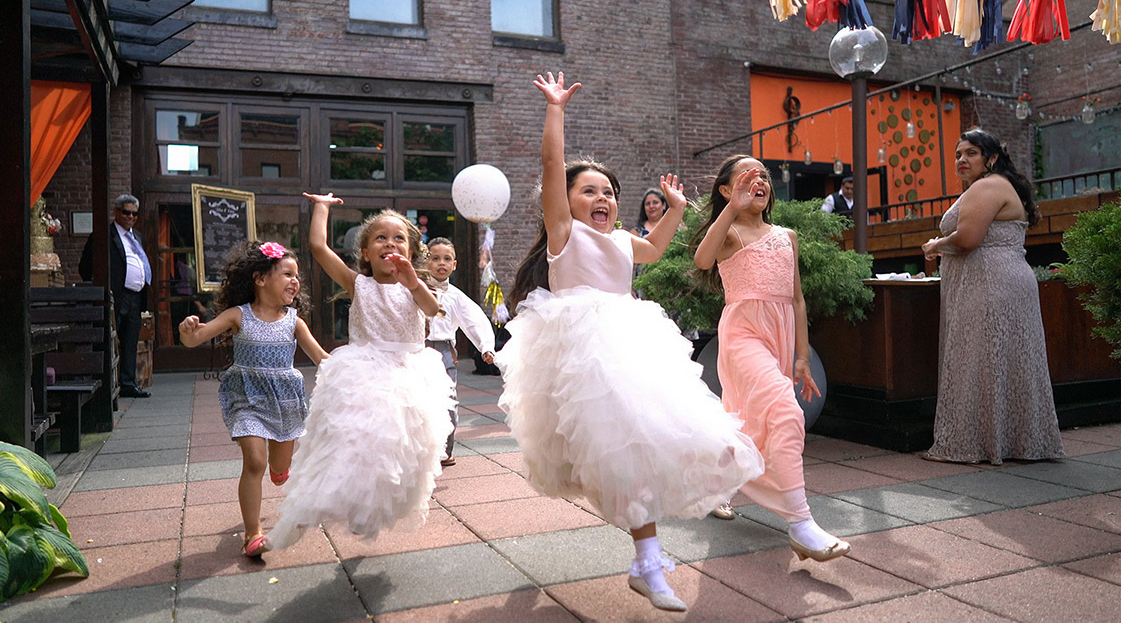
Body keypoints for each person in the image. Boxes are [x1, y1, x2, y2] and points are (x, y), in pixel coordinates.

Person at [496, 73, 763, 612]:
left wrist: (679, 209)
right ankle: (647, 558)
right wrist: (555, 112)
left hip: (630, 340)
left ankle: (647, 556)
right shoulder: (564, 235)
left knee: (655, 436)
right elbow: (552, 169)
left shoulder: (620, 240)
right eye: (588, 190)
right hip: (583, 349)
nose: (603, 198)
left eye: (609, 192)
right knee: (621, 447)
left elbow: (656, 250)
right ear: (566, 202)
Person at [267, 196, 455, 548]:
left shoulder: (415, 287)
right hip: (366, 371)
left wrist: (413, 281)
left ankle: (387, 502)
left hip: (409, 373)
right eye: (380, 238)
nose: (390, 243)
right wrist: (322, 206)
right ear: (366, 253)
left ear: (412, 251)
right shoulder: (359, 284)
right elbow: (318, 247)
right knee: (360, 440)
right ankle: (352, 502)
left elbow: (433, 311)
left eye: (399, 238)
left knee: (403, 447)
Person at [692, 154, 851, 563]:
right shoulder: (728, 233)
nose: (757, 181)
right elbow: (702, 260)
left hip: (780, 336)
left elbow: (797, 299)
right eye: (745, 178)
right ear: (727, 190)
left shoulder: (787, 235)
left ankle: (718, 486)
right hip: (743, 332)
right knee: (785, 412)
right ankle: (801, 523)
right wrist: (731, 210)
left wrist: (801, 357)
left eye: (762, 176)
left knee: (746, 419)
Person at [921, 129, 1064, 464]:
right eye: (958, 154)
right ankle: (1013, 442)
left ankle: (975, 444)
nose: (961, 160)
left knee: (980, 362)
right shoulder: (997, 186)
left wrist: (934, 245)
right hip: (1003, 281)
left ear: (992, 158)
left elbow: (968, 239)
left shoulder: (988, 186)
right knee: (1003, 362)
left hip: (990, 284)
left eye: (971, 153)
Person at [178, 241, 326, 558]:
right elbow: (196, 339)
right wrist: (187, 331)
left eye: (297, 276)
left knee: (278, 468)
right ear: (260, 279)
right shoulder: (238, 315)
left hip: (284, 402)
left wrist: (352, 367)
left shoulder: (294, 322)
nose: (295, 281)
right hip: (247, 397)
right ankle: (253, 534)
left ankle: (279, 469)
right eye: (287, 274)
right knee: (255, 461)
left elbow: (320, 358)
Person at [425, 236, 496, 467]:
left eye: (447, 259)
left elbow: (474, 321)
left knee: (448, 400)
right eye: (435, 258)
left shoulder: (455, 296)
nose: (441, 263)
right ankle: (421, 451)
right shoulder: (416, 289)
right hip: (419, 349)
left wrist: (485, 347)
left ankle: (445, 450)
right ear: (426, 261)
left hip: (445, 351)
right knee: (418, 401)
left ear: (454, 265)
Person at [78, 194, 152, 398]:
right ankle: (105, 385)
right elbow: (85, 266)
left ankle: (128, 383)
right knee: (109, 340)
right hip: (115, 296)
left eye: (134, 214)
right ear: (116, 212)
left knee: (130, 341)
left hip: (135, 297)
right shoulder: (103, 235)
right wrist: (104, 287)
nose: (130, 217)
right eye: (126, 212)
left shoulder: (136, 236)